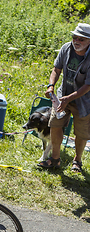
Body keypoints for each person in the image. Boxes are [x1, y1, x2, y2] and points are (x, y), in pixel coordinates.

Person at [39, 23, 90, 173]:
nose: (77, 41)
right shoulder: (66, 48)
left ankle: (77, 160)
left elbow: (88, 86)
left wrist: (70, 98)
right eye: (75, 37)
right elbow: (56, 69)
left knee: (81, 133)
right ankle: (55, 159)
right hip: (62, 96)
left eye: (82, 39)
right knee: (55, 124)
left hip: (85, 101)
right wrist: (51, 86)